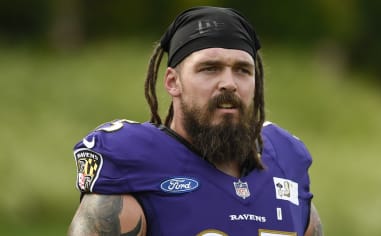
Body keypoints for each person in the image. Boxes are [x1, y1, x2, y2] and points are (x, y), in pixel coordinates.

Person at [68, 6, 323, 236]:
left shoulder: (286, 161)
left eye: (242, 70)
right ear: (172, 82)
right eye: (210, 68)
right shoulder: (134, 162)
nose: (229, 83)